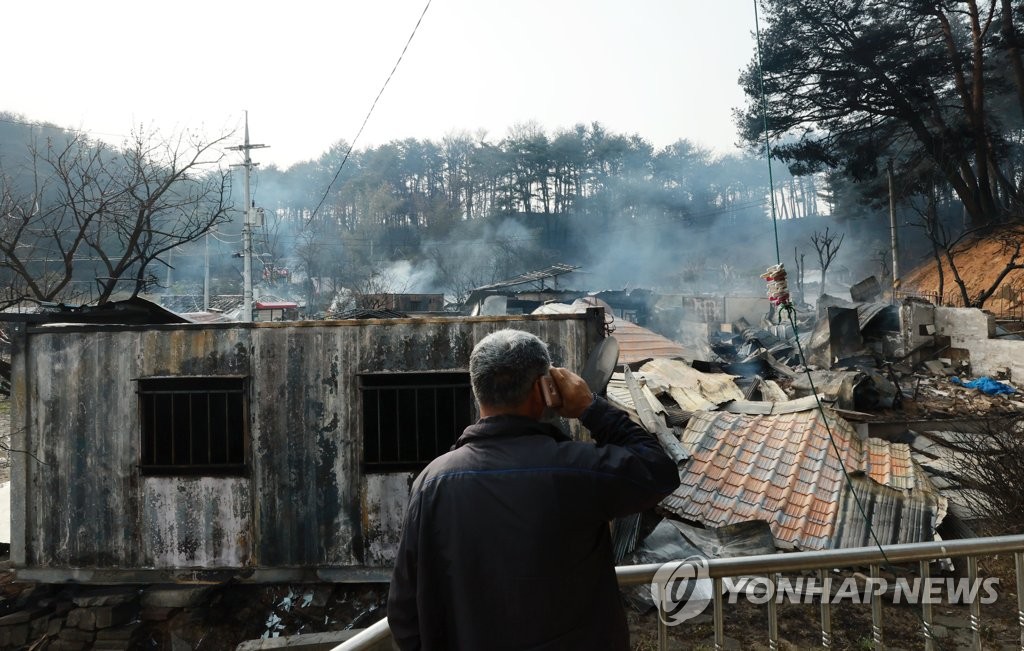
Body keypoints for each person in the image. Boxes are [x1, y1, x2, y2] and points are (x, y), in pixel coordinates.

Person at [387, 328, 680, 650]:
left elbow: (404, 610)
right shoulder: (577, 469)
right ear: (546, 388)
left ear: (477, 389)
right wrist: (590, 408)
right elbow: (659, 470)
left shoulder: (432, 482)